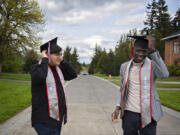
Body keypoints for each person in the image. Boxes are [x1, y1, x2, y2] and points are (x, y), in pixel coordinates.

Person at [111, 35, 169, 135]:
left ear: (147, 51)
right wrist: (117, 107)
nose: (140, 54)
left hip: (149, 114)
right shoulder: (124, 67)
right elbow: (122, 89)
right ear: (133, 49)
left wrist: (153, 51)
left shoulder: (152, 65)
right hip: (129, 114)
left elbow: (165, 74)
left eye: (144, 51)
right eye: (138, 50)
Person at [31, 37, 77, 135]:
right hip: (44, 120)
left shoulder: (58, 69)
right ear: (47, 55)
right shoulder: (37, 68)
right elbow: (41, 77)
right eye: (57, 55)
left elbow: (73, 75)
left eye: (61, 54)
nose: (60, 57)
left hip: (57, 119)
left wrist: (62, 60)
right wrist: (44, 60)